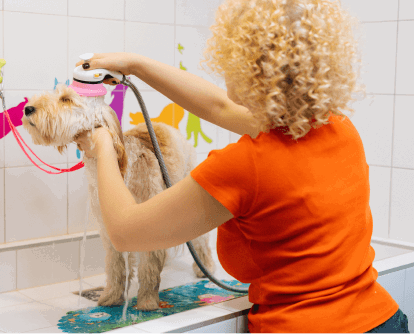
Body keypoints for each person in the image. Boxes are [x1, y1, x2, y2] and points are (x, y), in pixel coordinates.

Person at [75, 0, 410, 332]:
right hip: (383, 320)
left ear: (251, 69)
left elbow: (125, 231)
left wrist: (103, 145)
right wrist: (135, 64)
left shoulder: (244, 165)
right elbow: (219, 107)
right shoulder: (340, 129)